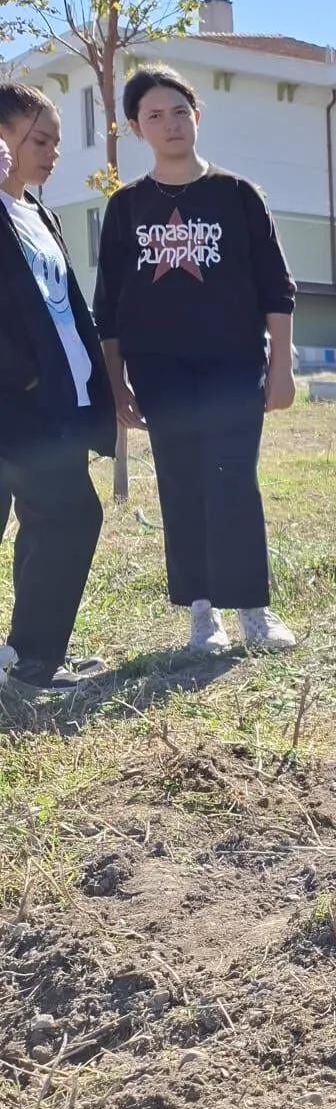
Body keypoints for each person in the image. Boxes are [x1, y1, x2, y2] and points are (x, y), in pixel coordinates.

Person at [94, 67, 298, 654]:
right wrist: (117, 383)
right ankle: (201, 610)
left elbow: (274, 287)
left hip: (234, 361)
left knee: (234, 478)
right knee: (181, 481)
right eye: (154, 116)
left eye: (179, 111)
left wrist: (280, 365)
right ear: (137, 128)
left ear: (197, 115)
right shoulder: (125, 206)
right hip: (159, 368)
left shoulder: (237, 194)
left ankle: (254, 610)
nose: (170, 124)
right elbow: (108, 304)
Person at [0, 87, 114, 691]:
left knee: (57, 517)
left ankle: (31, 656)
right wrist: (21, 374)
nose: (49, 155)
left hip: (61, 401)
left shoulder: (40, 215)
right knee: (68, 513)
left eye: (55, 143)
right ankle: (34, 659)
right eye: (37, 140)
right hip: (16, 403)